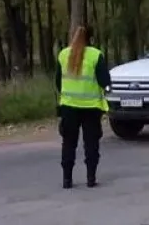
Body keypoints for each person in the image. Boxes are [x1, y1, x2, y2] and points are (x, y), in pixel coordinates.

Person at [55, 25, 111, 189]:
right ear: (91, 39)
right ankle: (91, 178)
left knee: (68, 143)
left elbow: (58, 81)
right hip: (91, 107)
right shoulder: (95, 55)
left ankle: (67, 179)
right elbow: (104, 81)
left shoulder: (63, 55)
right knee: (91, 143)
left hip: (69, 106)